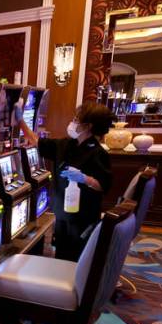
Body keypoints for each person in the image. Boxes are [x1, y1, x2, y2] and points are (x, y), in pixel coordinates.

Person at [19, 103, 114, 261]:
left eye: (76, 119)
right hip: (63, 214)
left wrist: (86, 179)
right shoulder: (67, 144)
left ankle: (75, 284)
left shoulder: (97, 153)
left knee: (77, 258)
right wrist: (20, 120)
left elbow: (103, 185)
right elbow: (36, 141)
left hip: (82, 220)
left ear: (88, 126)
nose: (72, 122)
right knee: (62, 254)